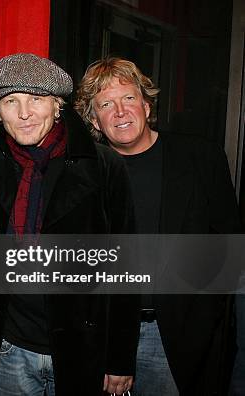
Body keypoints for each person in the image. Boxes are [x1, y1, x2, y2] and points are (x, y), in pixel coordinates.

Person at [74, 56, 240, 396]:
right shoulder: (82, 175)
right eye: (106, 104)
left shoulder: (200, 158)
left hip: (174, 336)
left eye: (129, 99)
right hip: (104, 336)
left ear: (147, 106)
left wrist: (204, 322)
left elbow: (229, 244)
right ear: (94, 119)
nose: (120, 112)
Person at [0, 53, 140, 396]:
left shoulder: (102, 166)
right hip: (10, 350)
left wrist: (119, 359)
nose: (24, 112)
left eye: (36, 100)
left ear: (56, 107)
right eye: (11, 101)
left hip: (81, 350)